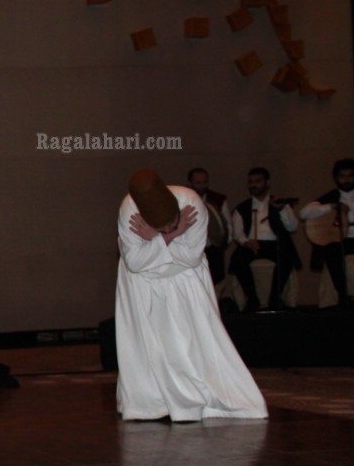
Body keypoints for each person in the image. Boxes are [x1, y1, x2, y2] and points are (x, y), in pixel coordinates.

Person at [114, 169, 267, 421]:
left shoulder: (192, 203)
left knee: (192, 338)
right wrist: (173, 236)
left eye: (173, 225)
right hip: (142, 285)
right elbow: (135, 262)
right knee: (153, 341)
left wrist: (155, 241)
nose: (168, 229)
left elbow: (190, 256)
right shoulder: (129, 209)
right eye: (160, 228)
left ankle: (202, 396)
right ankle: (153, 400)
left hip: (187, 282)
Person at [228, 167, 300, 311]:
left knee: (286, 258)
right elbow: (237, 232)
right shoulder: (242, 208)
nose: (253, 185)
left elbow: (292, 227)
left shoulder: (279, 203)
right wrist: (246, 242)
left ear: (267, 183)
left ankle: (275, 299)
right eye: (251, 182)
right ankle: (252, 299)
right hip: (252, 244)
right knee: (238, 260)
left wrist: (281, 210)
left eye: (258, 181)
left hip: (275, 244)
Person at [299, 158, 354, 307]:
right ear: (336, 178)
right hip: (341, 240)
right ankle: (343, 296)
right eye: (342, 176)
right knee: (332, 250)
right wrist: (332, 207)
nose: (346, 180)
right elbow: (304, 213)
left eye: (350, 176)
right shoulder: (331, 197)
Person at [187, 167, 231, 286]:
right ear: (190, 183)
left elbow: (226, 225)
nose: (202, 186)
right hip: (191, 249)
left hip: (213, 248)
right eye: (198, 183)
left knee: (216, 282)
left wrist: (222, 243)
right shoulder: (184, 199)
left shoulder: (218, 199)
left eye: (205, 182)